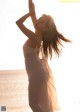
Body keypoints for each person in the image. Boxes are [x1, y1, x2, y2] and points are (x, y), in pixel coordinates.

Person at [16, 0, 71, 112]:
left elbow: (18, 23)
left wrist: (29, 14)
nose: (38, 21)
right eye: (39, 19)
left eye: (42, 22)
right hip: (37, 72)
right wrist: (31, 7)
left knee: (33, 104)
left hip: (36, 73)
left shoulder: (34, 37)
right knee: (38, 104)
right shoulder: (37, 33)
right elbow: (33, 9)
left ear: (45, 28)